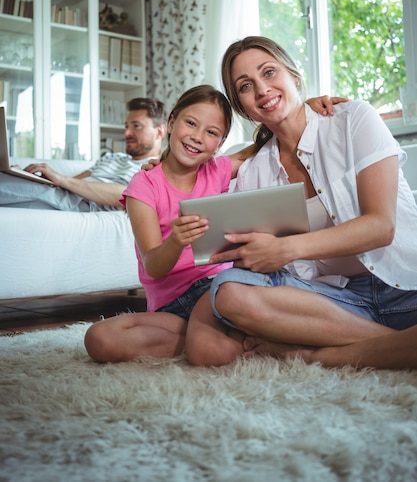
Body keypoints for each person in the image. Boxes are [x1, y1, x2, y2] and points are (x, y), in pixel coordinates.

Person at [184, 35, 417, 370]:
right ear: (242, 106)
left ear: (293, 75)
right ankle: (396, 346)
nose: (262, 90)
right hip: (333, 304)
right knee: (229, 292)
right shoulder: (253, 171)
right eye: (246, 86)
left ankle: (327, 356)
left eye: (268, 73)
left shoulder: (353, 120)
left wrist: (287, 248)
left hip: (403, 283)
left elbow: (381, 226)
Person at [84, 84, 245, 362]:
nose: (196, 137)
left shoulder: (216, 170)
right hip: (173, 306)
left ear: (219, 144)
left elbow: (262, 145)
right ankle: (223, 339)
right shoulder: (144, 186)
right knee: (99, 339)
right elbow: (154, 267)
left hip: (218, 288)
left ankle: (215, 339)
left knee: (222, 303)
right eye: (191, 123)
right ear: (171, 122)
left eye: (211, 132)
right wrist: (176, 241)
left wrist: (308, 107)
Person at [0, 97, 166, 211]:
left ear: (159, 132)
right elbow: (74, 181)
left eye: (136, 126)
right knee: (8, 177)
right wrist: (25, 176)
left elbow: (126, 195)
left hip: (81, 202)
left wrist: (62, 180)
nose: (127, 133)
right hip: (65, 193)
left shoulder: (156, 169)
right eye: (126, 126)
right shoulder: (112, 157)